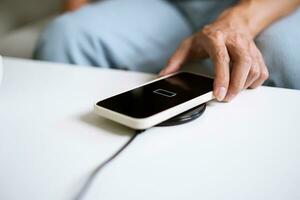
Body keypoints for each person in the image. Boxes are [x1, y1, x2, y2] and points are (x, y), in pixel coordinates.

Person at [34, 0, 300, 102]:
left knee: (285, 57)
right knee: (68, 35)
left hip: (266, 6)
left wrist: (238, 21)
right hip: (170, 5)